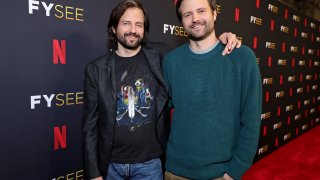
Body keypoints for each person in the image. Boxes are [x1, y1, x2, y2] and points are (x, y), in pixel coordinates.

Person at [82, 0, 241, 179]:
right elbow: (90, 126)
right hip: (111, 165)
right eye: (126, 23)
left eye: (139, 24)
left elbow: (199, 46)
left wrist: (223, 37)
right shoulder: (96, 69)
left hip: (150, 164)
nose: (133, 30)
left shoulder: (162, 56)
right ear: (113, 28)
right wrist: (94, 173)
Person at [162, 0, 262, 180]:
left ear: (214, 14)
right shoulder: (171, 62)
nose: (195, 19)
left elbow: (251, 121)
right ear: (181, 21)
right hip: (175, 172)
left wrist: (234, 172)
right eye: (187, 14)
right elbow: (158, 112)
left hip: (220, 175)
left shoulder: (242, 58)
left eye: (201, 11)